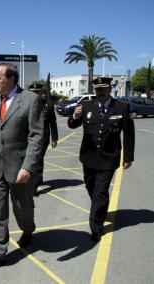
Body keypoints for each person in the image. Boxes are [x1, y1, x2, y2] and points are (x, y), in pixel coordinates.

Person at [0, 64, 44, 273]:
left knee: (22, 207)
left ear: (11, 79)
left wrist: (28, 166)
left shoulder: (31, 100)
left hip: (20, 168)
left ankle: (28, 229)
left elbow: (36, 136)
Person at [68, 76, 135, 242]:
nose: (101, 92)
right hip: (89, 157)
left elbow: (129, 135)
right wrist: (75, 116)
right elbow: (72, 124)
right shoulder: (86, 106)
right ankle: (100, 210)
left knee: (100, 192)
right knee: (91, 188)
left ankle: (96, 227)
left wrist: (128, 157)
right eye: (98, 89)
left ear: (110, 89)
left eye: (104, 89)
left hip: (109, 157)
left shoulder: (121, 107)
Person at [28, 83, 58, 196]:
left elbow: (53, 123)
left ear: (41, 92)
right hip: (28, 137)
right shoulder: (25, 104)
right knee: (29, 160)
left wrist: (54, 138)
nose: (35, 94)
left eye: (37, 92)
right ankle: (36, 179)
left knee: (38, 160)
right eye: (33, 92)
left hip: (42, 137)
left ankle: (34, 185)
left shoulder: (48, 105)